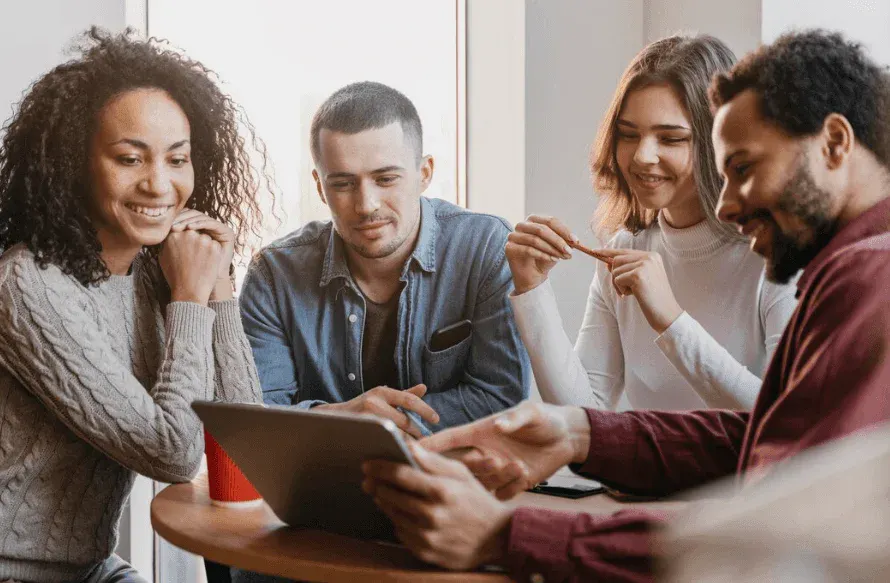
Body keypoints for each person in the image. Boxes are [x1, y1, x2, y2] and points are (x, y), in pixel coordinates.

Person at [362, 30, 890, 581]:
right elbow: (766, 437)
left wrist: (506, 533)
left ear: (834, 143)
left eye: (744, 168)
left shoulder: (866, 272)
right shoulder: (844, 264)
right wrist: (578, 433)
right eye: (630, 134)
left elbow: (779, 520)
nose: (729, 203)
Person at [0, 28, 268, 583]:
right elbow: (172, 454)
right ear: (76, 162)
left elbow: (245, 442)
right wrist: (190, 299)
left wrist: (216, 285)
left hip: (90, 567)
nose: (159, 185)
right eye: (130, 158)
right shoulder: (27, 285)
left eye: (177, 159)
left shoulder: (156, 269)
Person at [506, 35, 798, 411]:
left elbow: (784, 420)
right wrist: (532, 290)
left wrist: (671, 319)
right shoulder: (623, 249)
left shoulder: (777, 256)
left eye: (670, 138)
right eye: (628, 135)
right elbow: (583, 413)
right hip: (651, 471)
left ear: (720, 143)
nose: (642, 156)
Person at [238, 81, 531, 436]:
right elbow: (259, 413)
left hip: (459, 480)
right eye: (343, 184)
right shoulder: (273, 274)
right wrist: (347, 416)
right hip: (318, 484)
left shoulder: (485, 247)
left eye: (386, 178)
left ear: (424, 173)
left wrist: (374, 422)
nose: (366, 205)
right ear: (319, 186)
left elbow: (501, 398)